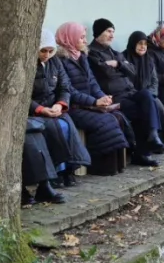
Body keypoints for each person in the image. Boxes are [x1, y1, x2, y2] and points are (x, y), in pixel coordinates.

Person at [55, 22, 139, 174]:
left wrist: (102, 97)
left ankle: (116, 165)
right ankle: (100, 166)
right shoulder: (60, 61)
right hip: (74, 107)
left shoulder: (81, 56)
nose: (85, 41)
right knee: (105, 120)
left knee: (117, 116)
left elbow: (92, 83)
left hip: (89, 104)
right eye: (81, 38)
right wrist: (94, 102)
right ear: (70, 38)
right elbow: (69, 91)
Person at [88, 18, 164, 156]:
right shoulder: (92, 53)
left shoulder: (113, 52)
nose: (112, 35)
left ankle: (153, 135)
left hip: (130, 91)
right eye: (109, 31)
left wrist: (118, 65)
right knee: (142, 109)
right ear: (99, 32)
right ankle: (143, 153)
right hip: (114, 95)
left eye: (113, 32)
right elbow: (105, 71)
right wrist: (122, 65)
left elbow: (132, 71)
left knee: (147, 96)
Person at [31, 31, 91, 187]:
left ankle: (68, 168)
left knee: (67, 126)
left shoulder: (55, 62)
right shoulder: (28, 64)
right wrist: (41, 109)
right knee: (54, 127)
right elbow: (23, 97)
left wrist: (60, 104)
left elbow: (64, 87)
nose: (47, 55)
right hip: (35, 111)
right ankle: (57, 171)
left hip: (54, 108)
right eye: (43, 50)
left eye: (51, 51)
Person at [122, 30, 164, 147]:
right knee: (153, 105)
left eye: (145, 44)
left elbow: (155, 81)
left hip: (147, 94)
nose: (142, 47)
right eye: (140, 43)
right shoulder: (124, 58)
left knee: (158, 105)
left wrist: (150, 94)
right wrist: (143, 95)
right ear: (133, 43)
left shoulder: (148, 60)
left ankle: (160, 139)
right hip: (132, 95)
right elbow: (124, 82)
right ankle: (154, 141)